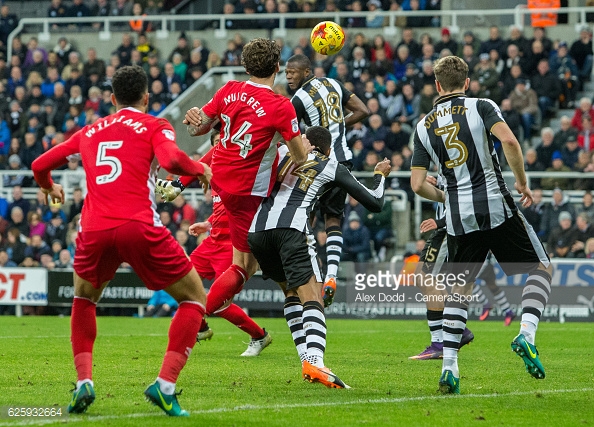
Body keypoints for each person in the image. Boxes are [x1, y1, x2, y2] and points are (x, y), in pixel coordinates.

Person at [31, 65, 212, 417]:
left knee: (84, 299)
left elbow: (40, 163)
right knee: (194, 299)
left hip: (94, 228)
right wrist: (200, 169)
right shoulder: (154, 124)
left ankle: (84, 382)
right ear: (146, 98)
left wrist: (49, 187)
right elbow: (172, 159)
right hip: (137, 225)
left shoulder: (89, 131)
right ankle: (165, 386)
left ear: (112, 99)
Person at [410, 56, 552, 394]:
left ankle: (449, 370)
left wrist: (449, 198)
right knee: (542, 267)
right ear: (467, 82)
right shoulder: (481, 106)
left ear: (438, 86)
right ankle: (526, 334)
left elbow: (417, 185)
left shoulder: (423, 126)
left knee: (458, 290)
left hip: (460, 217)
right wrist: (522, 182)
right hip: (495, 205)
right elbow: (511, 142)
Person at [248, 126, 390, 388]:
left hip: (257, 231)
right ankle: (314, 361)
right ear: (326, 148)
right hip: (290, 230)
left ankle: (306, 359)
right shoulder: (329, 163)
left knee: (291, 293)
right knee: (313, 296)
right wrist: (380, 175)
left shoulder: (281, 151)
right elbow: (375, 202)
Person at [180, 38, 308, 330]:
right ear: (277, 67)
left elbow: (198, 128)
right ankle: (199, 314)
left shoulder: (229, 90)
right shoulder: (280, 106)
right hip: (248, 191)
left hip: (222, 181)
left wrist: (191, 121)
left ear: (245, 65)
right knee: (244, 266)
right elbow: (300, 158)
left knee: (252, 255)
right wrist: (305, 149)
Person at [157, 130, 272, 357]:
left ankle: (259, 335)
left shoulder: (239, 170)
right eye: (217, 144)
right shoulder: (214, 176)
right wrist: (207, 224)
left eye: (223, 142)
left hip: (232, 245)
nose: (222, 146)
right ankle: (203, 327)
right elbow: (222, 209)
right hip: (212, 240)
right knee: (181, 279)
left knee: (219, 302)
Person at [284, 53, 370, 307]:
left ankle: (312, 276)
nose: (289, 76)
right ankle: (332, 273)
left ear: (307, 72)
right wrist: (337, 126)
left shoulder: (298, 98)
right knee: (333, 219)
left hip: (318, 164)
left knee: (303, 218)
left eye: (293, 72)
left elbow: (290, 133)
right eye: (287, 72)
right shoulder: (334, 84)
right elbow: (363, 110)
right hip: (343, 162)